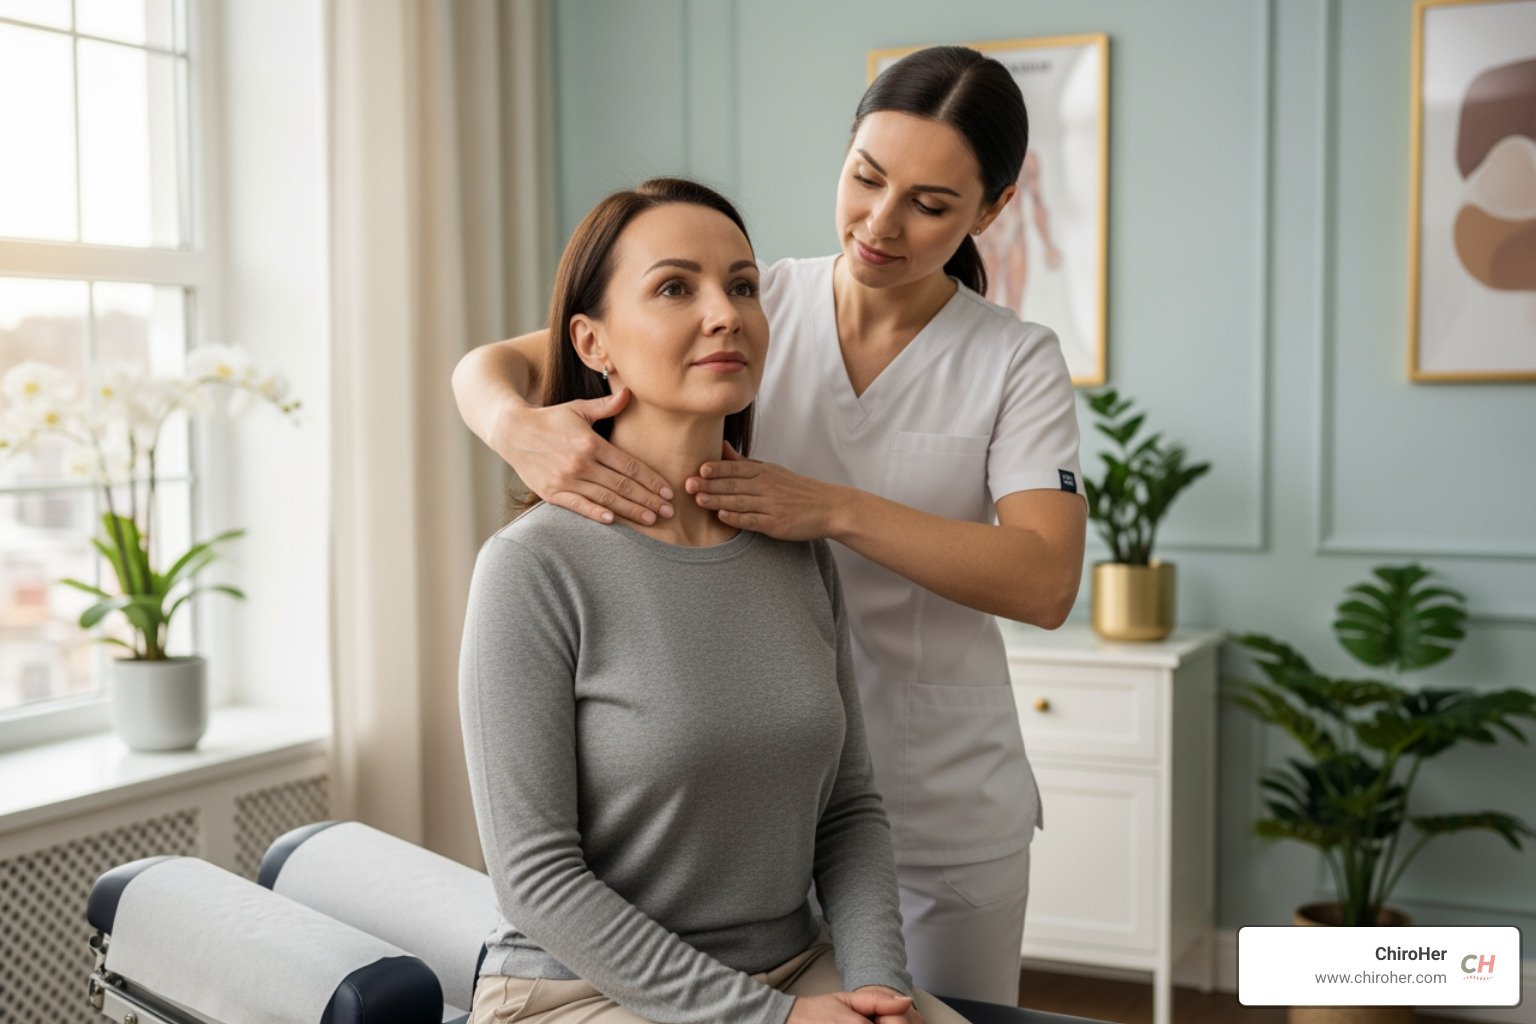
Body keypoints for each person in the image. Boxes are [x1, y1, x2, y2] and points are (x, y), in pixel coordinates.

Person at [453, 47, 1087, 1005]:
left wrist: (830, 509)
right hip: (719, 803)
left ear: (987, 213)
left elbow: (1045, 581)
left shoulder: (1012, 360)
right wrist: (515, 430)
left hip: (918, 790)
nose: (880, 223)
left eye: (929, 204)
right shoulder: (754, 301)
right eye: (866, 178)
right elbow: (496, 363)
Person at [460, 177, 971, 1024]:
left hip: (794, 965)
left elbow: (849, 808)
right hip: (580, 990)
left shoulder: (793, 544)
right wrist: (774, 1022)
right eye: (674, 288)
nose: (726, 312)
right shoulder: (533, 567)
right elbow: (537, 879)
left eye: (742, 286)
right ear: (594, 342)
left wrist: (879, 987)